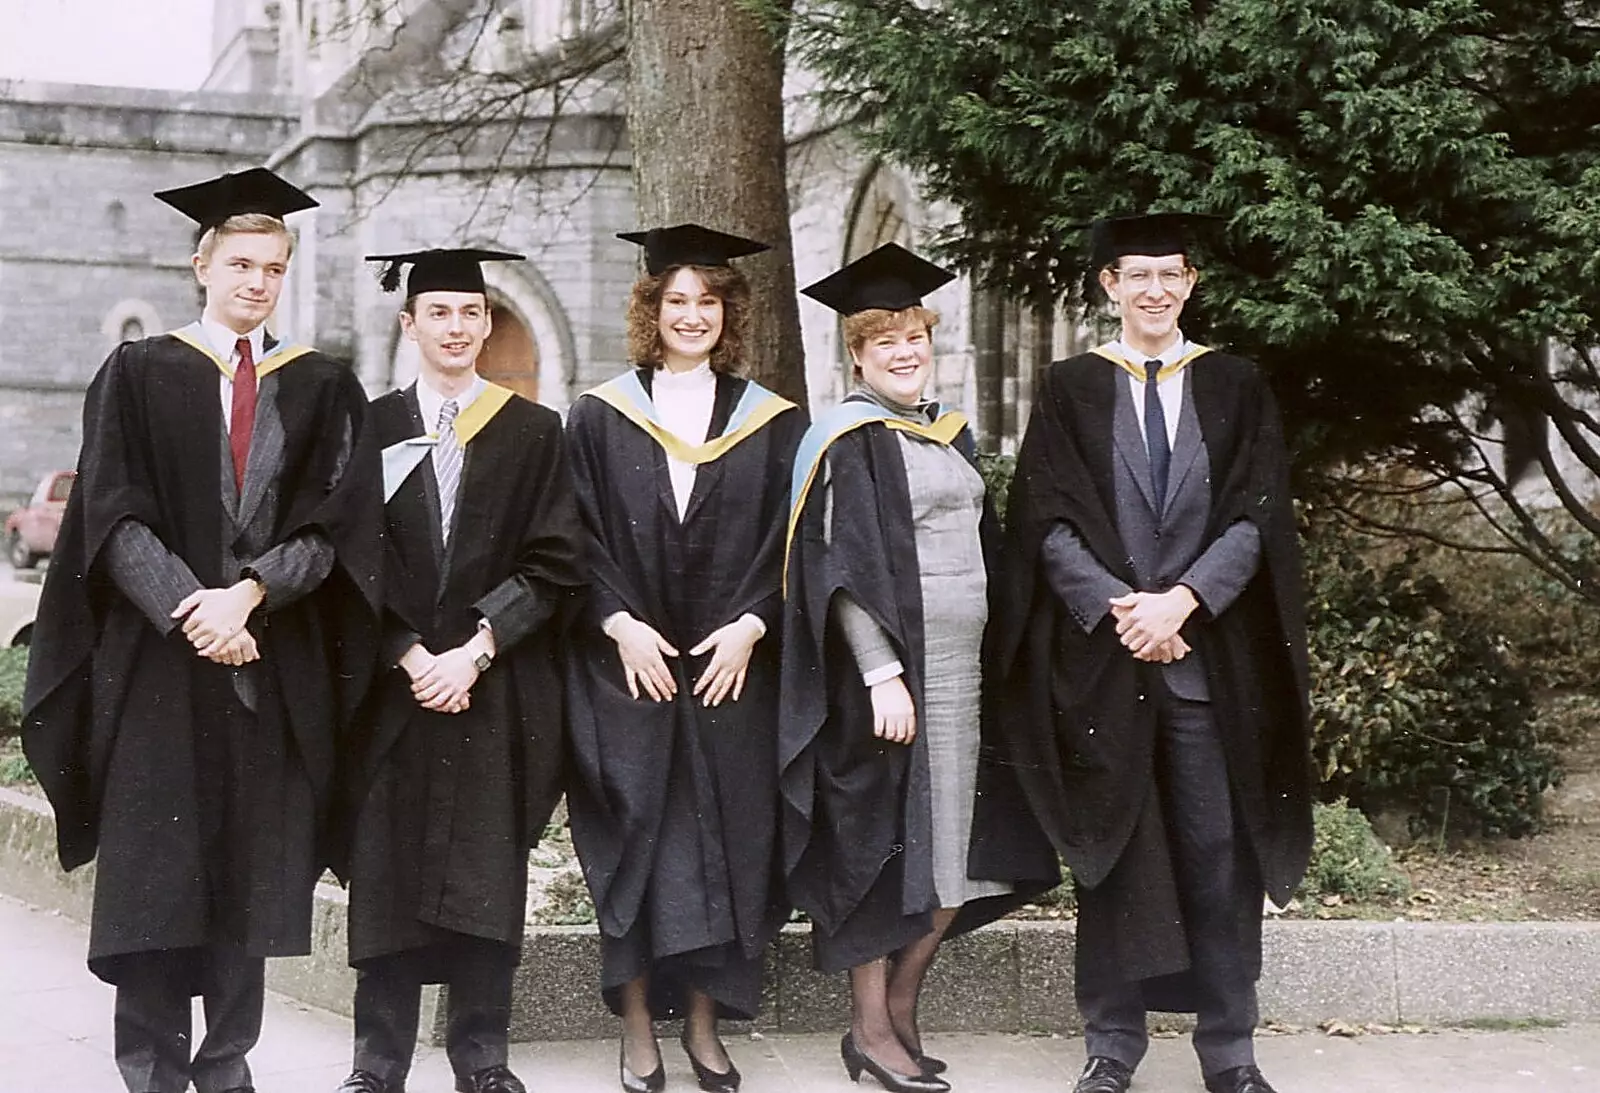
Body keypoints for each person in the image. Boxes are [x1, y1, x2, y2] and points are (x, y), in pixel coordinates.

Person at [21, 167, 383, 1093]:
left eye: (273, 267)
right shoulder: (140, 373)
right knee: (154, 882)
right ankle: (150, 1071)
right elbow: (112, 515)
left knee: (249, 884)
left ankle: (226, 1069)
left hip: (268, 666)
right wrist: (197, 610)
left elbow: (334, 529)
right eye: (241, 264)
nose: (257, 282)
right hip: (160, 670)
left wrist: (250, 595)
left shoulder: (322, 385)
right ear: (202, 264)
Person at [998, 213, 1311, 1093]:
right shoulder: (1069, 387)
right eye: (1138, 275)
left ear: (1191, 282)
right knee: (1117, 852)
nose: (1156, 290)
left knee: (1220, 850)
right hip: (1109, 665)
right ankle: (1112, 1044)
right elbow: (1045, 518)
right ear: (1109, 284)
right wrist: (1119, 607)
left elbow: (1258, 515)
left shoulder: (1236, 383)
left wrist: (1184, 599)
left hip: (1209, 664)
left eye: (1171, 274)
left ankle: (1230, 1050)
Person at [780, 244, 1060, 1093]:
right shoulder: (846, 437)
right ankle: (869, 1029)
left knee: (955, 850)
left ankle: (900, 1006)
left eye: (915, 337)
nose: (904, 351)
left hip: (964, 673)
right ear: (856, 353)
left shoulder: (947, 430)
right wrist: (879, 673)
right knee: (880, 848)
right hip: (892, 684)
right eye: (885, 340)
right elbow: (839, 570)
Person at [332, 249, 588, 1093]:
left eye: (469, 314)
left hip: (490, 685)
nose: (455, 328)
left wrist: (477, 647)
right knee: (389, 867)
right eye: (436, 312)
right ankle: (378, 1061)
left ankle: (482, 1056)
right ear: (410, 324)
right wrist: (408, 653)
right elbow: (347, 563)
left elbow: (555, 561)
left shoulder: (531, 432)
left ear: (486, 323)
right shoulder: (368, 430)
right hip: (396, 690)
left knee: (486, 866)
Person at [564, 223, 804, 1093]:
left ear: (728, 313)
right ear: (651, 310)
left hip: (727, 672)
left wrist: (753, 623)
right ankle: (637, 1029)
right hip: (627, 668)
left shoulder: (772, 422)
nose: (692, 314)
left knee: (724, 847)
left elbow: (796, 546)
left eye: (709, 301)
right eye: (677, 300)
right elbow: (572, 537)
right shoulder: (596, 415)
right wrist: (617, 621)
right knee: (634, 840)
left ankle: (703, 1026)